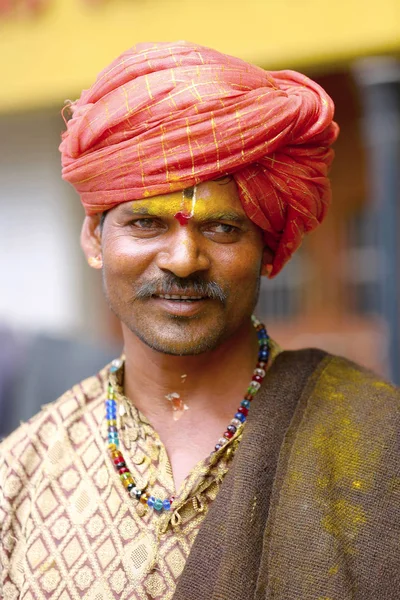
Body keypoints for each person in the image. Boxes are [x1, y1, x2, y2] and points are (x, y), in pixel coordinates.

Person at [0, 41, 398, 600]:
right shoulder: (20, 474)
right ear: (94, 238)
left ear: (268, 247)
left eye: (222, 229)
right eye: (145, 223)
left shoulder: (379, 443)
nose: (184, 260)